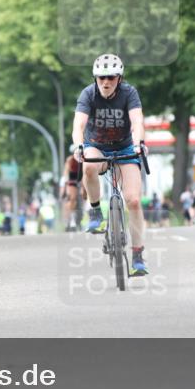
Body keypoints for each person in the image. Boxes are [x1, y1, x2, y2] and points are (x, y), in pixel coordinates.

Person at [72, 53, 149, 276]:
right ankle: (96, 213)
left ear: (119, 78)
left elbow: (137, 121)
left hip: (125, 148)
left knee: (133, 200)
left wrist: (139, 143)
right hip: (97, 146)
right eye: (101, 78)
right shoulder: (88, 94)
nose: (106, 82)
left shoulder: (129, 93)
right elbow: (79, 125)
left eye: (111, 78)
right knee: (88, 165)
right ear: (95, 78)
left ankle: (137, 256)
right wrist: (79, 146)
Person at [61, 145, 82, 231]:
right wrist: (66, 183)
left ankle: (80, 217)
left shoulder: (81, 159)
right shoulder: (69, 160)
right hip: (71, 182)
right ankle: (70, 219)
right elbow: (66, 173)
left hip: (79, 181)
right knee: (71, 198)